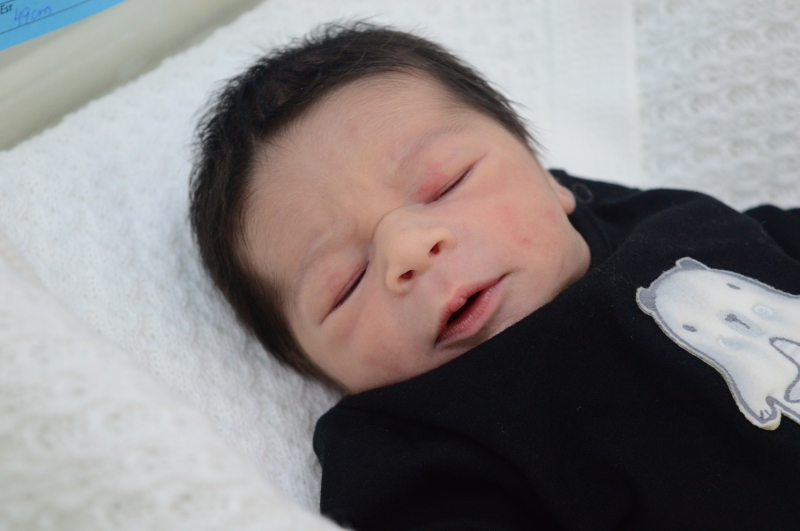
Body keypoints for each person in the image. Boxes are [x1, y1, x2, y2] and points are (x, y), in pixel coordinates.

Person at [190, 23, 800, 530]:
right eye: (346, 281)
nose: (409, 249)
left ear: (551, 182)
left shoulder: (663, 224)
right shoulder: (409, 446)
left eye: (446, 183)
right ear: (314, 366)